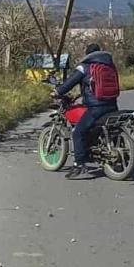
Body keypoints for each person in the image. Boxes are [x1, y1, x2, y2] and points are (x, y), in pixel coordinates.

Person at [53, 43, 120, 179]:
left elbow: (70, 83)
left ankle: (79, 165)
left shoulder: (85, 67)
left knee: (77, 132)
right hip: (112, 105)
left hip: (96, 108)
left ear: (87, 54)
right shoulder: (109, 66)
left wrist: (57, 91)